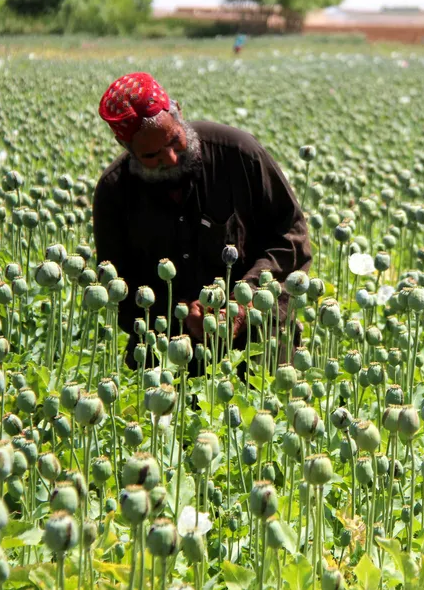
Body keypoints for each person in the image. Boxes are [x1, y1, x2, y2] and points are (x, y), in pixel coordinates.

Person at [93, 72, 311, 372]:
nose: (170, 158)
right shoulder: (115, 192)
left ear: (178, 111)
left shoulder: (239, 154)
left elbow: (291, 236)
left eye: (174, 141)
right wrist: (181, 314)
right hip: (168, 356)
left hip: (260, 343)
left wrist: (242, 303)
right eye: (152, 155)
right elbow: (117, 287)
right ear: (124, 145)